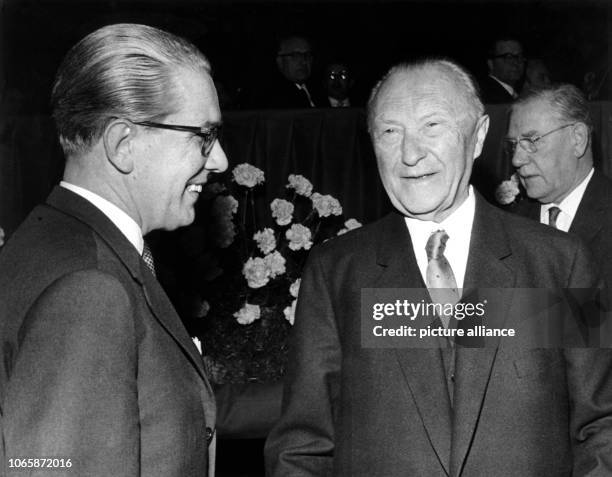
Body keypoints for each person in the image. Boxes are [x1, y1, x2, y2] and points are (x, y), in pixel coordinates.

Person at [265, 59, 612, 475]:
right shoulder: (334, 272)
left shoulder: (561, 262)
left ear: (479, 136)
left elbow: (601, 425)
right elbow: (302, 448)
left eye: (433, 125)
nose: (410, 154)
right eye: (390, 131)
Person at [0, 23, 228, 476]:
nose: (219, 159)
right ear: (124, 145)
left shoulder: (56, 242)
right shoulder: (89, 292)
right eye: (203, 136)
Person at [509, 83, 612, 290]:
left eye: (532, 140)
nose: (517, 159)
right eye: (513, 145)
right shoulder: (508, 223)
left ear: (578, 139)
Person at [245, 35, 323, 109]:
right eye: (295, 55)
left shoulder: (319, 90)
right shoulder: (271, 96)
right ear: (280, 61)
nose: (304, 61)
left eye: (307, 55)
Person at [479, 37, 525, 103]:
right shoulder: (486, 97)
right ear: (491, 63)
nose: (516, 62)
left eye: (519, 56)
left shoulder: (518, 94)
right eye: (508, 57)